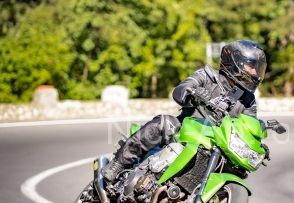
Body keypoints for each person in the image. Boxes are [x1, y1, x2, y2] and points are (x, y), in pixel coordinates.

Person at [101, 39, 267, 183]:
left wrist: (257, 144)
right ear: (235, 62)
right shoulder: (207, 76)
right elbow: (181, 90)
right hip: (185, 130)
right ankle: (118, 163)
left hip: (216, 142)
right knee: (165, 123)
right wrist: (193, 93)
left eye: (257, 68)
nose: (255, 73)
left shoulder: (248, 99)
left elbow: (249, 124)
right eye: (251, 66)